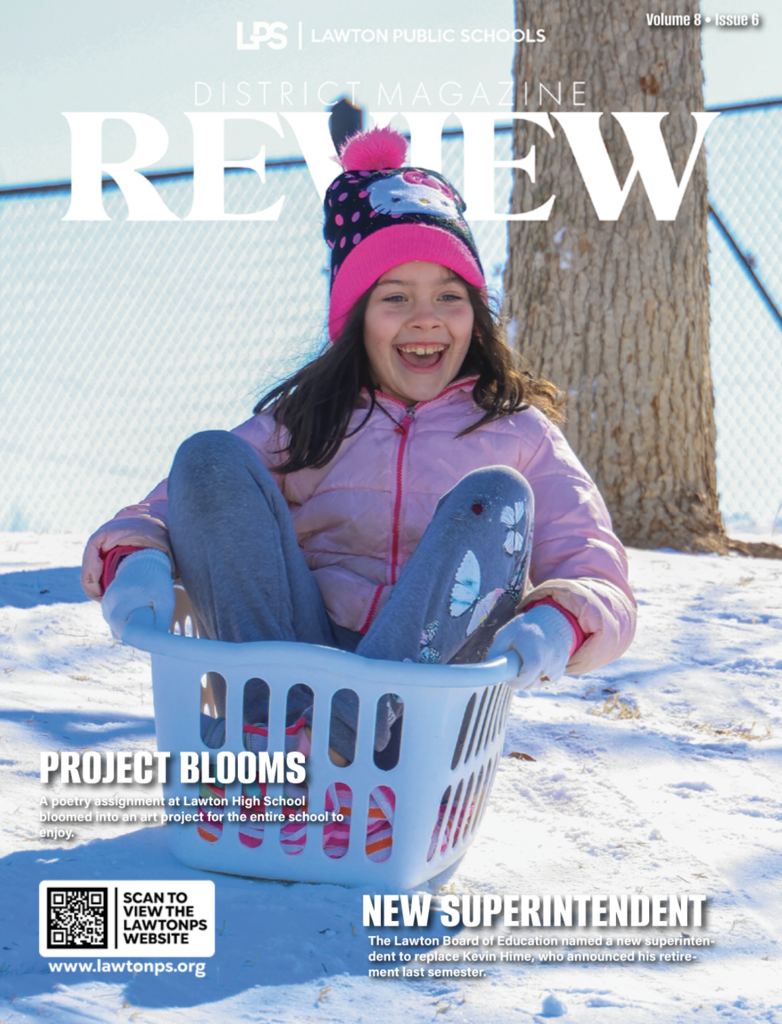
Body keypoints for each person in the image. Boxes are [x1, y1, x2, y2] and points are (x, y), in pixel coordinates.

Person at [81, 126, 636, 771]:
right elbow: (191, 500)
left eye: (449, 297)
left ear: (475, 318)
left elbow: (597, 572)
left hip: (429, 697)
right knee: (208, 456)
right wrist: (135, 554)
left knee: (498, 499)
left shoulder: (519, 432)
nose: (425, 317)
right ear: (357, 321)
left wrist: (564, 619)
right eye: (395, 297)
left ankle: (339, 743)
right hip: (296, 672)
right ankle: (278, 740)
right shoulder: (310, 421)